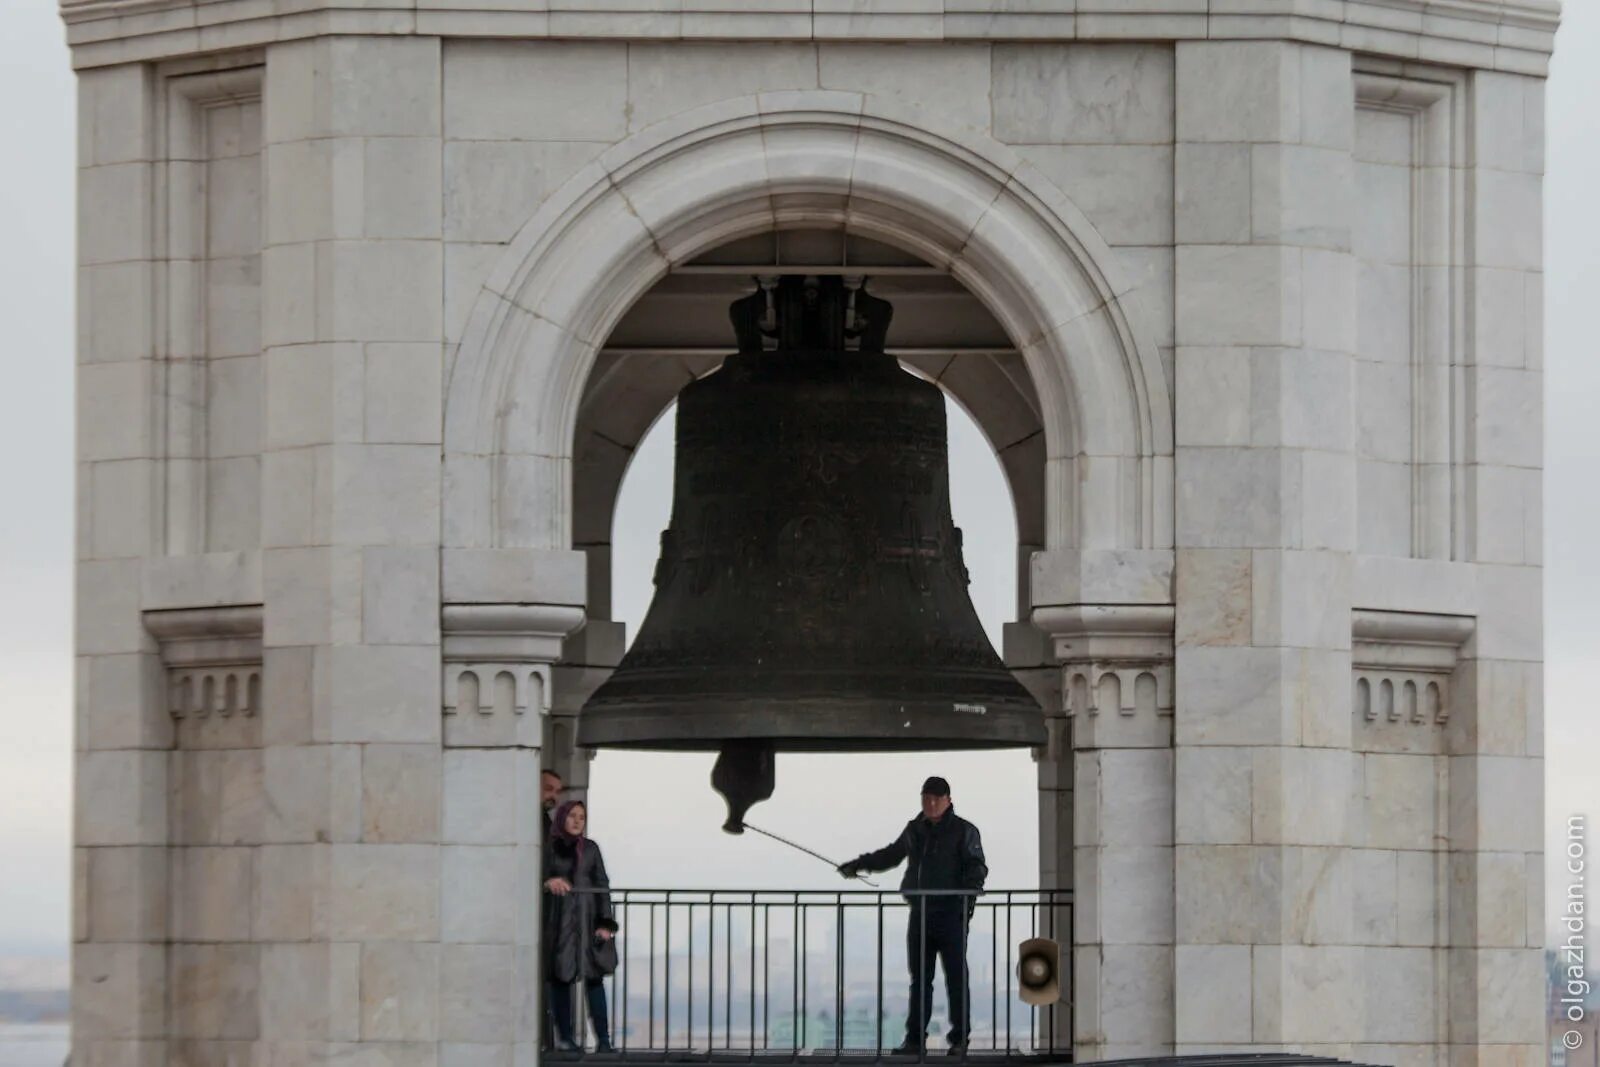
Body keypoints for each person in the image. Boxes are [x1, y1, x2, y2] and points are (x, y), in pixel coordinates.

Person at [837, 777, 986, 1056]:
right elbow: (891, 855)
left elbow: (977, 867)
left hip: (951, 914)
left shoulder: (964, 831)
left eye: (936, 799)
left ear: (948, 800)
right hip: (921, 914)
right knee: (920, 980)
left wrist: (966, 899)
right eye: (926, 798)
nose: (930, 804)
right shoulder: (915, 830)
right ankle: (915, 1040)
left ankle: (959, 1041)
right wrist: (859, 865)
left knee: (955, 979)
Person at [544, 800, 617, 1053]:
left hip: (589, 919)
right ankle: (565, 1039)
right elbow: (540, 875)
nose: (577, 821)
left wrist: (606, 924)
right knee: (560, 979)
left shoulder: (590, 849)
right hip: (560, 921)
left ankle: (604, 1041)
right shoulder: (550, 848)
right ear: (562, 817)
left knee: (594, 980)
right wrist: (548, 881)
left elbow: (602, 884)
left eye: (582, 817)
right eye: (572, 816)